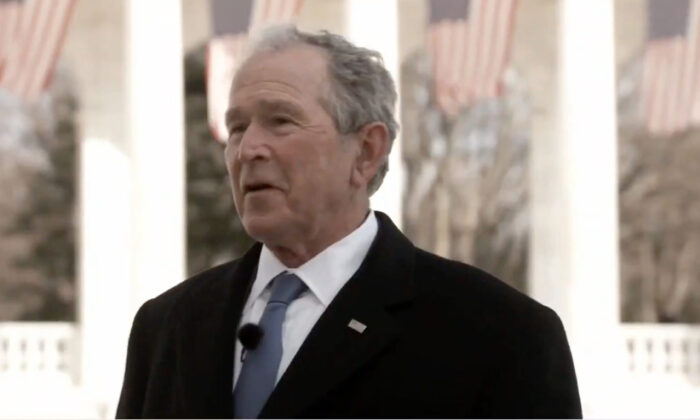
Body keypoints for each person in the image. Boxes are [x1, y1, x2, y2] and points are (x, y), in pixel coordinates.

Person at [116, 26, 582, 419]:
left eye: (281, 121)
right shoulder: (165, 327)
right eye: (237, 127)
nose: (248, 149)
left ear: (366, 151)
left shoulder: (501, 335)